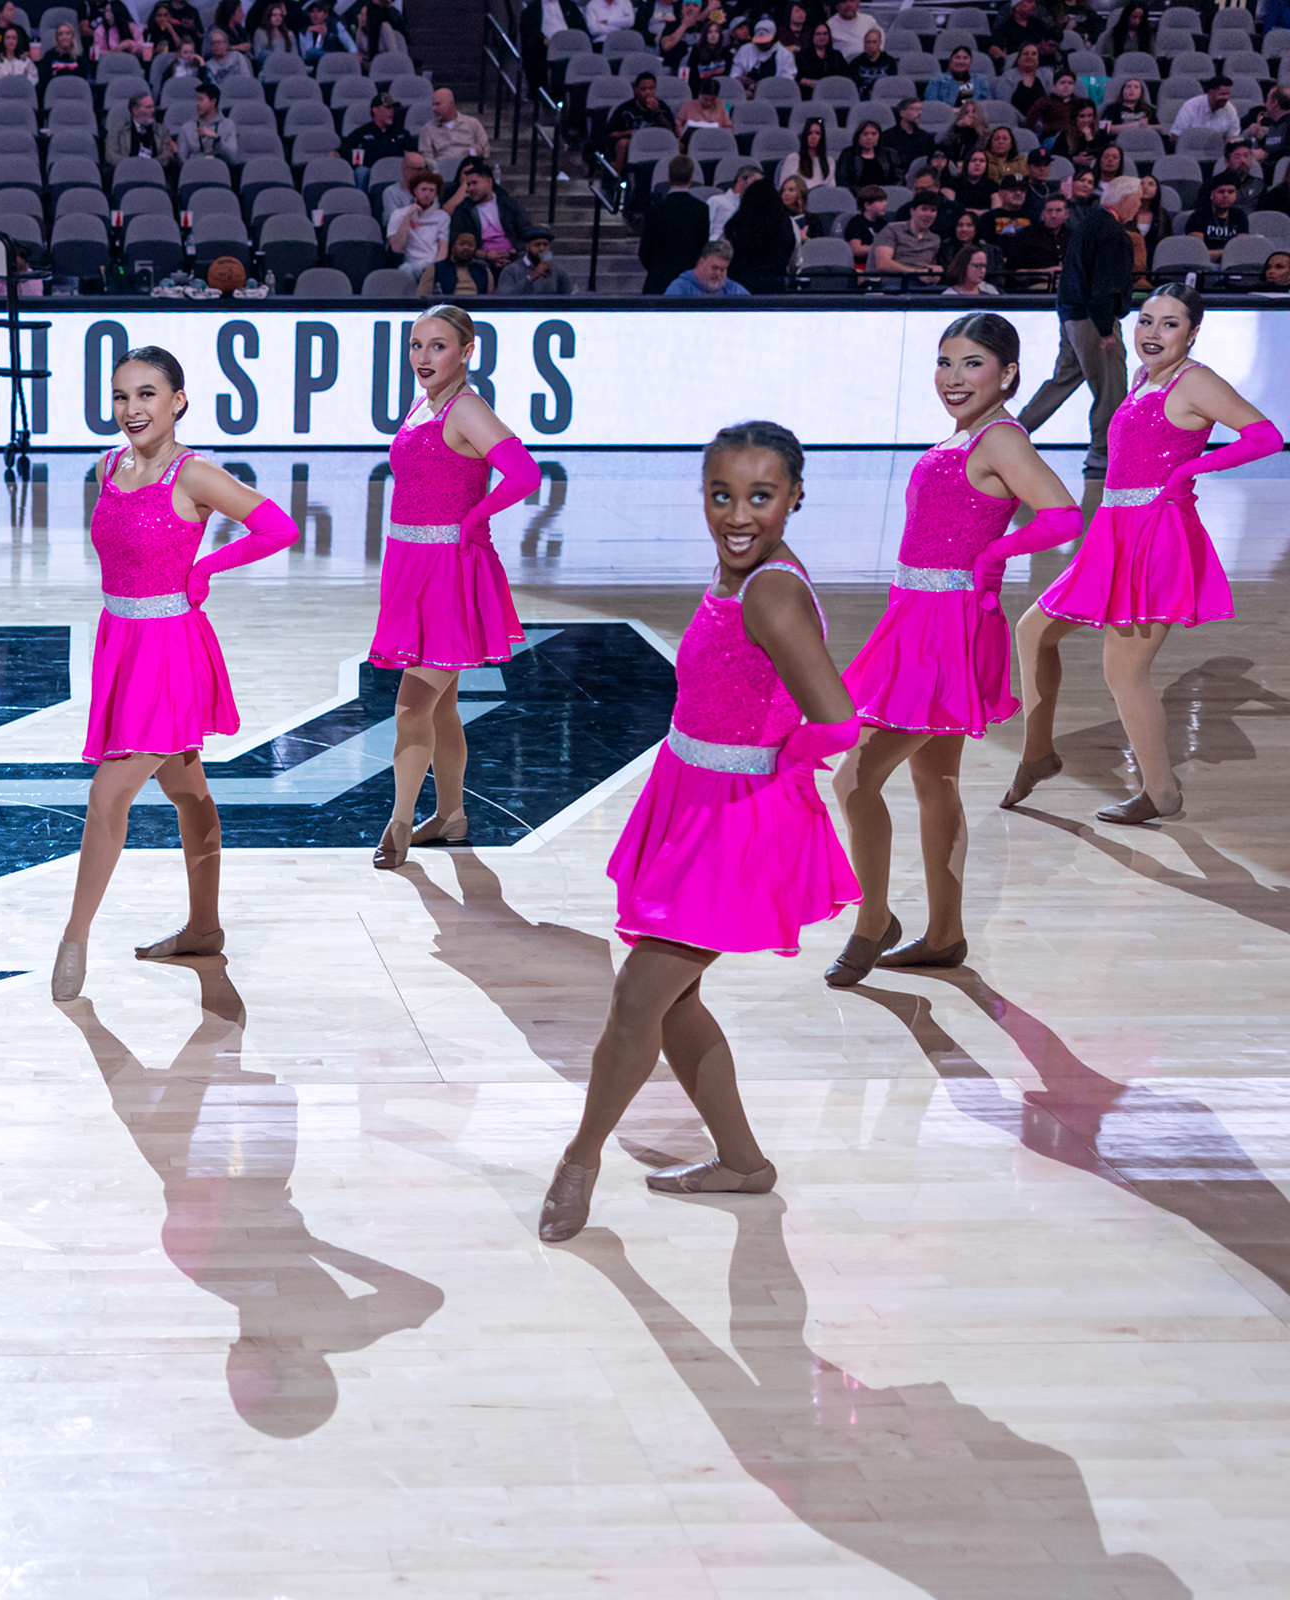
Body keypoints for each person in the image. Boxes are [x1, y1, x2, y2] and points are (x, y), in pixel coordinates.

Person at [538, 419, 859, 1241]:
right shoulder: (738, 573)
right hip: (690, 795)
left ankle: (579, 1160)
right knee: (674, 1000)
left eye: (761, 497)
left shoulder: (773, 593)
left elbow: (836, 722)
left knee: (636, 998)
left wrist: (777, 775)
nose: (738, 515)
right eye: (722, 495)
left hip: (734, 821)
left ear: (795, 497)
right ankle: (743, 1162)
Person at [827, 314, 1081, 985]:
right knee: (934, 781)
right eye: (945, 362)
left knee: (854, 777)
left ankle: (873, 920)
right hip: (916, 618)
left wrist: (996, 554)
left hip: (947, 629)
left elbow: (1063, 514)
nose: (953, 377)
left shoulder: (1000, 438)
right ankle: (944, 934)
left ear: (1008, 372)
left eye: (972, 363)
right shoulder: (964, 436)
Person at [50, 345, 296, 1001]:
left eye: (146, 394)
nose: (131, 409)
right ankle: (204, 928)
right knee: (188, 792)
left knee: (108, 795)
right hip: (120, 645)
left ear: (178, 401)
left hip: (169, 653)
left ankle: (73, 938)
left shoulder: (195, 475)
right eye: (120, 396)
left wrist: (207, 567)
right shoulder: (108, 466)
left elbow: (277, 527)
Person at [1006, 286, 1282, 824]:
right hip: (1113, 531)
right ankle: (1038, 755)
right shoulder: (1143, 377)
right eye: (1146, 320)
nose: (1153, 333)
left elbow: (1266, 437)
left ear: (1193, 333)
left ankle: (1161, 792)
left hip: (1156, 536)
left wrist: (1191, 469)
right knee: (1034, 631)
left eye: (1170, 324)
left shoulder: (1195, 381)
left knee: (1124, 672)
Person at [369, 305, 537, 866]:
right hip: (410, 565)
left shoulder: (466, 407)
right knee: (441, 708)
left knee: (411, 707)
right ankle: (451, 816)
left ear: (467, 352)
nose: (422, 357)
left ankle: (398, 823)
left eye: (437, 346)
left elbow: (525, 474)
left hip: (447, 571)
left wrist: (475, 517)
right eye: (416, 345)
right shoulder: (425, 402)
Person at [1015, 175, 1137, 494]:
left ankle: (1012, 433)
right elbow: (1104, 286)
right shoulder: (1112, 233)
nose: (1139, 206)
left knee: (1063, 380)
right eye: (1138, 200)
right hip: (1093, 321)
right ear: (1125, 200)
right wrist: (1105, 329)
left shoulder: (1089, 223)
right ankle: (1102, 455)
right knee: (1111, 389)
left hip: (1070, 314)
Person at [641, 153, 709, 293]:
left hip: (658, 281)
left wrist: (657, 269)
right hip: (689, 283)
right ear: (691, 178)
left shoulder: (655, 209)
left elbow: (644, 251)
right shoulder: (701, 209)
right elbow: (703, 247)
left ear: (668, 177)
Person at [723, 174, 795, 292]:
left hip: (740, 287)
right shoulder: (785, 223)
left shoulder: (738, 223)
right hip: (774, 287)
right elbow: (793, 256)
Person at [606, 71, 674, 172]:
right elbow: (611, 134)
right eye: (643, 89)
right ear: (636, 90)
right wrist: (628, 133)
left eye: (651, 88)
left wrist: (657, 113)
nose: (648, 92)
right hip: (633, 143)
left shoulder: (662, 107)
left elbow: (671, 132)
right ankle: (617, 178)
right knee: (622, 144)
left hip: (656, 143)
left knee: (679, 144)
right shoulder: (624, 109)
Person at [868, 191, 943, 280]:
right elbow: (883, 264)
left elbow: (931, 267)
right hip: (896, 282)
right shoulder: (892, 229)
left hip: (924, 284)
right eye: (924, 209)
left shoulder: (935, 239)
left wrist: (936, 271)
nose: (928, 214)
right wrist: (916, 273)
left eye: (933, 210)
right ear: (912, 211)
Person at [385, 169, 447, 276]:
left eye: (431, 190)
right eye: (423, 189)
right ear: (415, 191)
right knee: (405, 270)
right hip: (409, 265)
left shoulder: (442, 216)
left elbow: (443, 251)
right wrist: (408, 217)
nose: (427, 194)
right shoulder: (398, 214)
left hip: (432, 265)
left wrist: (433, 270)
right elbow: (396, 247)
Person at [342, 91, 416, 174]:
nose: (391, 111)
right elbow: (343, 152)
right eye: (387, 108)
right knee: (361, 171)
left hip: (397, 171)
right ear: (375, 110)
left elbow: (412, 155)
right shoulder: (361, 133)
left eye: (392, 108)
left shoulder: (401, 133)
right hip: (372, 173)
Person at [106, 92, 177, 170]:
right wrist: (131, 164)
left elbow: (167, 154)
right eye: (148, 107)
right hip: (126, 171)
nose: (153, 110)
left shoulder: (162, 130)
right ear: (135, 110)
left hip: (154, 171)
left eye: (153, 107)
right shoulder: (117, 130)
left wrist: (149, 165)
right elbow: (110, 155)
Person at [1183, 177, 1248, 262]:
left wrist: (1217, 254)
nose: (1226, 196)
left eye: (1231, 192)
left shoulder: (1240, 216)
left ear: (1235, 196)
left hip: (1233, 264)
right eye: (1221, 191)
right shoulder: (1198, 216)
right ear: (1212, 195)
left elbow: (1241, 250)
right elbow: (1199, 254)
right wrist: (1227, 252)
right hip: (1206, 265)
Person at [494, 224, 571, 294]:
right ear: (527, 247)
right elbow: (503, 297)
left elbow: (567, 298)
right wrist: (531, 278)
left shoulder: (559, 271)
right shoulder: (511, 270)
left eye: (545, 245)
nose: (542, 248)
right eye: (537, 245)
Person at [668, 238, 751, 295]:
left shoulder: (734, 291)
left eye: (722, 269)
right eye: (714, 268)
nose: (718, 273)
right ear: (701, 262)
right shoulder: (680, 288)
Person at [1171, 76, 1239, 143]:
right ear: (1210, 93)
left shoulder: (1230, 109)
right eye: (1223, 94)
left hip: (1217, 148)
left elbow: (1233, 135)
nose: (1226, 98)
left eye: (1228, 94)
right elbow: (1176, 135)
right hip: (1191, 147)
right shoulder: (1191, 106)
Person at [428, 229, 493, 295]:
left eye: (470, 245)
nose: (466, 248)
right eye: (461, 244)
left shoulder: (483, 270)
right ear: (453, 248)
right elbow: (424, 297)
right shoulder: (436, 269)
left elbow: (490, 298)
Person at [925, 44, 990, 105]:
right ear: (951, 61)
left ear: (970, 62)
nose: (961, 61)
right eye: (957, 57)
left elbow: (986, 104)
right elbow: (931, 104)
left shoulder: (980, 80)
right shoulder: (938, 79)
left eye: (965, 58)